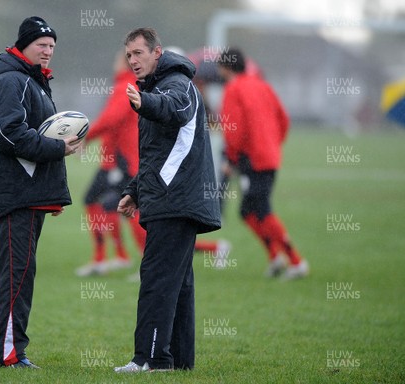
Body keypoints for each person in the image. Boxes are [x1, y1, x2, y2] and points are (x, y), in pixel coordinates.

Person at [0, 16, 81, 369]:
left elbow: (31, 134)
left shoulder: (30, 79)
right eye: (41, 45)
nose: (48, 51)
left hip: (25, 193)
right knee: (15, 276)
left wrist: (48, 189)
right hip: (14, 194)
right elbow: (8, 135)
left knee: (6, 274)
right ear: (23, 45)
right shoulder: (12, 80)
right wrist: (58, 149)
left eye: (52, 46)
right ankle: (9, 354)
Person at [115, 28, 221, 373]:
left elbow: (172, 109)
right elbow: (158, 154)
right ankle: (178, 362)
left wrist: (145, 102)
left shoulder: (175, 85)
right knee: (179, 283)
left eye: (139, 53)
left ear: (157, 52)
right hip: (172, 196)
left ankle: (150, 359)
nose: (133, 60)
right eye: (129, 55)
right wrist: (134, 190)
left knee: (157, 279)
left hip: (175, 200)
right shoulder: (159, 85)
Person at [217, 47, 309, 279]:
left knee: (261, 209)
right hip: (268, 156)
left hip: (252, 159)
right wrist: (272, 143)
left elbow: (233, 128)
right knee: (248, 211)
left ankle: (296, 261)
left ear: (226, 67)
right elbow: (283, 119)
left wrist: (231, 158)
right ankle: (275, 257)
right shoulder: (262, 85)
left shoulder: (233, 89)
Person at [75, 50, 145, 277]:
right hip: (117, 160)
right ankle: (118, 256)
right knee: (108, 204)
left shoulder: (126, 85)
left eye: (117, 59)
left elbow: (111, 119)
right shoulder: (128, 84)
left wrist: (86, 136)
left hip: (121, 161)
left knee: (127, 208)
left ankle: (133, 261)